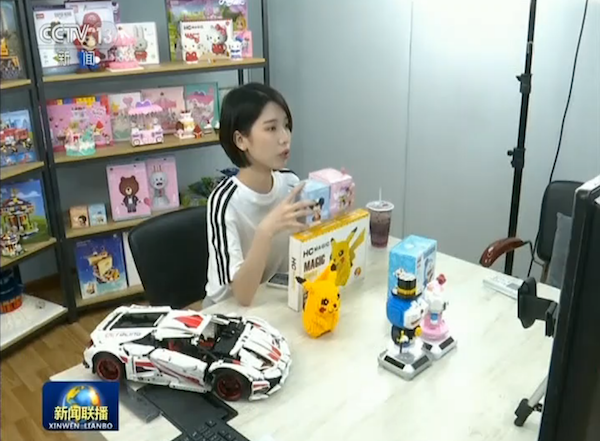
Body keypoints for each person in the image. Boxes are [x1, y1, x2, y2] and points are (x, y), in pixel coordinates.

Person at [205, 83, 315, 307]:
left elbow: (310, 247)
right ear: (241, 140)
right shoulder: (224, 202)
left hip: (274, 299)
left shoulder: (291, 183)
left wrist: (336, 209)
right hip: (227, 309)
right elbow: (242, 295)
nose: (285, 138)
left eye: (286, 126)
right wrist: (266, 231)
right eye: (271, 128)